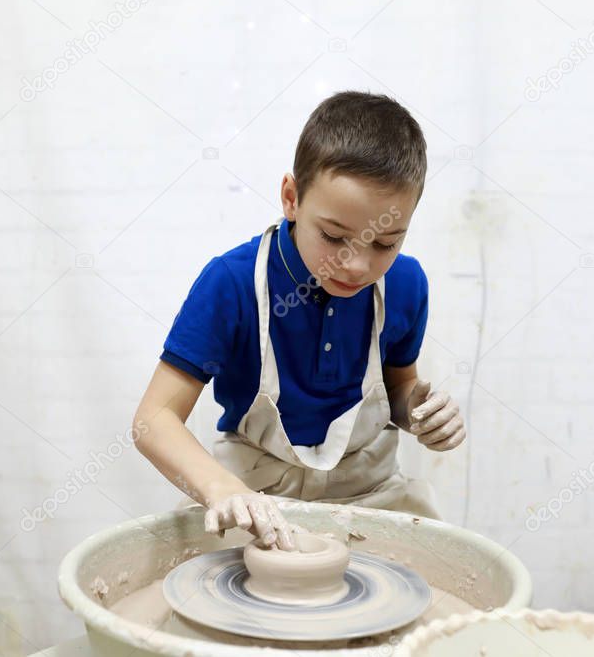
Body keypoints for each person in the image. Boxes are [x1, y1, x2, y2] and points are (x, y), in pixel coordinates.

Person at [132, 91, 465, 552]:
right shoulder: (231, 283)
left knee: (442, 589)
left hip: (373, 494)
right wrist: (221, 489)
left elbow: (398, 387)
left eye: (386, 243)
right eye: (334, 236)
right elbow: (154, 418)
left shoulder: (406, 284)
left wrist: (421, 414)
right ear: (291, 198)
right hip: (254, 494)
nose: (356, 265)